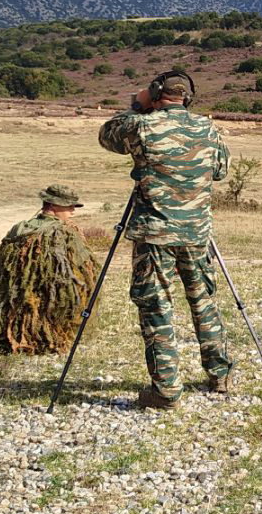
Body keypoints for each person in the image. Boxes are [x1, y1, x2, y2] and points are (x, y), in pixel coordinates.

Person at [98, 70, 232, 409]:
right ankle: (219, 374)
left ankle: (167, 390)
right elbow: (220, 169)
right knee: (203, 302)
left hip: (155, 235)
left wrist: (136, 105)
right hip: (197, 232)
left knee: (156, 306)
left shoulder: (141, 125)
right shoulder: (207, 127)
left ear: (157, 93)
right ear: (187, 97)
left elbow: (106, 136)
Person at [0, 184, 98, 357]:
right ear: (52, 206)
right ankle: (47, 340)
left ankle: (18, 338)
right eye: (68, 206)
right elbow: (82, 267)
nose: (73, 210)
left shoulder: (19, 228)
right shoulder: (62, 232)